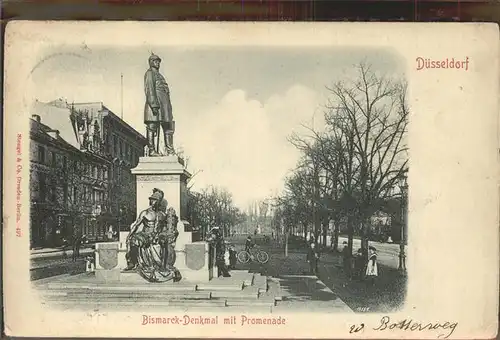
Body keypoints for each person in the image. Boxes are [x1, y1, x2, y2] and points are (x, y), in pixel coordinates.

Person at [124, 188, 181, 283]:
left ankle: (163, 265)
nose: (153, 202)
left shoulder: (162, 214)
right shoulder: (145, 213)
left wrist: (165, 234)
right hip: (145, 234)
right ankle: (132, 263)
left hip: (156, 236)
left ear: (159, 202)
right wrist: (130, 235)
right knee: (134, 240)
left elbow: (167, 228)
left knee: (162, 241)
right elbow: (136, 225)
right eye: (152, 200)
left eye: (156, 200)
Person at [144, 53, 175, 156]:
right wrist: (154, 105)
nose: (158, 63)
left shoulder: (160, 76)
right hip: (155, 106)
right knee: (152, 127)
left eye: (158, 61)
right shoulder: (149, 73)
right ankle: (152, 150)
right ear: (151, 62)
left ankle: (170, 150)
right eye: (155, 61)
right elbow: (150, 89)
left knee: (168, 126)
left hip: (165, 107)